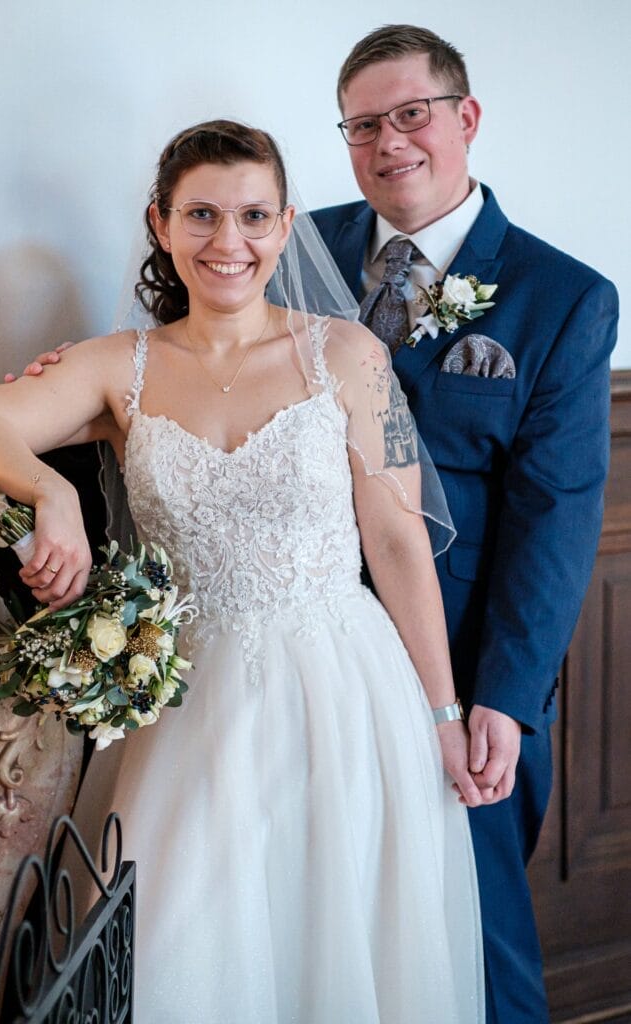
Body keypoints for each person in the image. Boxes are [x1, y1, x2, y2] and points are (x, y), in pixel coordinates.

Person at [0, 120, 486, 1022]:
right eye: (200, 215)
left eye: (251, 216)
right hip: (187, 703)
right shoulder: (120, 366)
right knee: (179, 943)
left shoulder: (347, 356)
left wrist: (440, 712)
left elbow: (395, 546)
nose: (226, 242)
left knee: (339, 935)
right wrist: (54, 493)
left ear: (282, 227)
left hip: (344, 695)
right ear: (160, 224)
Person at [309, 24, 619, 1024]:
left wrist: (504, 698)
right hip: (308, 658)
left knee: (476, 945)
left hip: (465, 677)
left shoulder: (560, 295)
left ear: (464, 119)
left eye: (410, 115)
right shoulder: (292, 249)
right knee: (328, 929)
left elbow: (554, 514)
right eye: (363, 125)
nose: (387, 142)